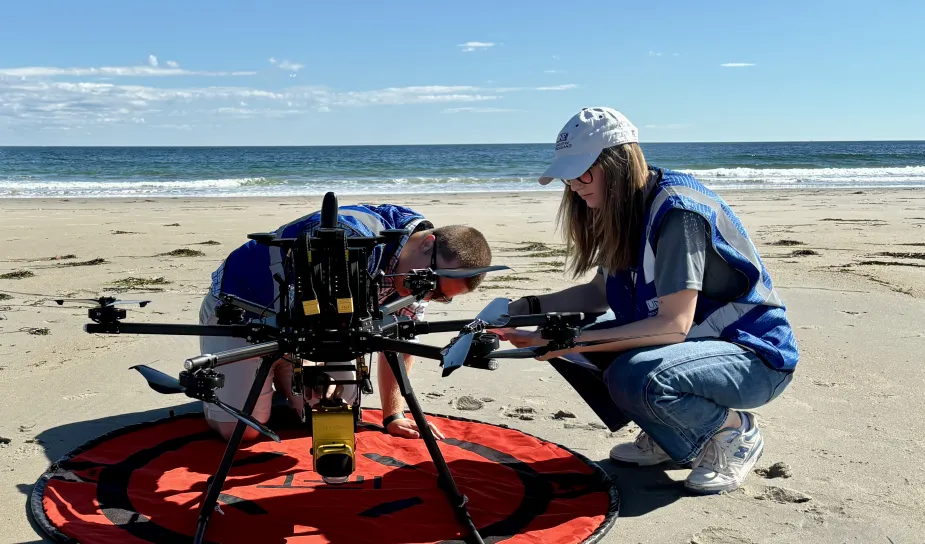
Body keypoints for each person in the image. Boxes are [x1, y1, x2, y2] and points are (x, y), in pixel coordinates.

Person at [494, 107, 799, 494]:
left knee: (630, 373)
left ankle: (734, 432)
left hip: (754, 358)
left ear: (617, 162)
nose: (573, 184)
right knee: (573, 347)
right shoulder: (623, 210)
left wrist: (565, 340)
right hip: (696, 350)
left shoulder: (676, 212)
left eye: (582, 172)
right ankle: (669, 434)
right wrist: (526, 308)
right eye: (567, 176)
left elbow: (673, 325)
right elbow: (598, 294)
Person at [199, 203, 493, 442]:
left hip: (312, 331)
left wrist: (394, 415)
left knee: (337, 415)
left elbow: (400, 340)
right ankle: (263, 379)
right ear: (428, 244)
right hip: (245, 315)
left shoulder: (415, 265)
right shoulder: (352, 240)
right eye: (432, 285)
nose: (426, 295)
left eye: (441, 297)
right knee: (243, 430)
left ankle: (282, 372)